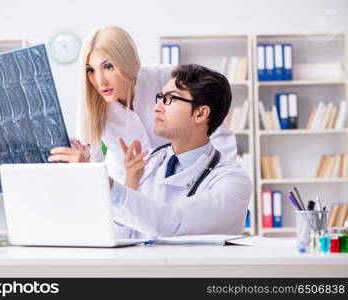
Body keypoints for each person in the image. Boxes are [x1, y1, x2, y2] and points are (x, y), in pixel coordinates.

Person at [49, 64, 252, 238]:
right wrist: (130, 186)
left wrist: (96, 179)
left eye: (170, 99)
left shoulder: (232, 183)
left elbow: (170, 223)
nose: (157, 107)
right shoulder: (150, 163)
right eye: (160, 97)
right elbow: (120, 236)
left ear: (201, 113)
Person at [50, 26, 237, 184]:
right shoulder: (90, 107)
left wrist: (218, 182)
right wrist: (83, 165)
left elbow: (216, 130)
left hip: (181, 184)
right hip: (127, 191)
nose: (100, 81)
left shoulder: (168, 80)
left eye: (108, 67)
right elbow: (95, 167)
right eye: (90, 70)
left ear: (126, 60)